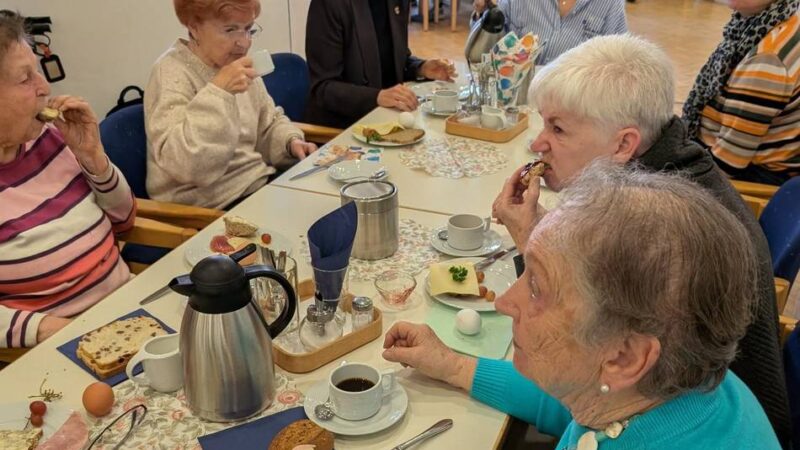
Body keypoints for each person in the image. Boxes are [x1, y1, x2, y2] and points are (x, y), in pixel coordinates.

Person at [492, 34, 792, 446]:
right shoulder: (668, 178)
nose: (538, 144)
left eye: (558, 128)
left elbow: (591, 339)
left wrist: (532, 238)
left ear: (624, 144)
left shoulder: (665, 226)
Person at [384, 164, 781, 449]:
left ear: (625, 356)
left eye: (537, 287)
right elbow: (573, 397)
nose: (505, 302)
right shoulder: (667, 385)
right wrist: (453, 365)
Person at [0, 11, 136, 348]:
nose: (45, 87)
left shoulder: (50, 138)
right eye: (25, 79)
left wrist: (93, 158)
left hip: (128, 309)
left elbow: (124, 220)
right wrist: (52, 332)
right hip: (63, 345)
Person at [145, 0, 318, 210]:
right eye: (230, 30)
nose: (244, 43)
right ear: (194, 27)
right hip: (208, 208)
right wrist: (219, 92)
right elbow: (189, 166)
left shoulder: (234, 63)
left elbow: (267, 123)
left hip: (256, 187)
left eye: (248, 29)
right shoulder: (171, 73)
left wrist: (289, 143)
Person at [683, 0, 800, 186]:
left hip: (752, 176)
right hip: (729, 154)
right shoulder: (773, 20)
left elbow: (727, 164)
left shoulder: (767, 59)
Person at [304, 0, 457, 129]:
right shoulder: (330, 4)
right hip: (344, 130)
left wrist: (421, 68)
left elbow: (392, 60)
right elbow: (323, 88)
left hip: (390, 120)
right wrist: (376, 97)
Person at [471, 0, 628, 65]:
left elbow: (618, 64)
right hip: (516, 99)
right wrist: (484, 14)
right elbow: (485, 48)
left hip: (575, 106)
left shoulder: (611, 4)